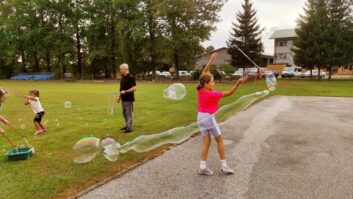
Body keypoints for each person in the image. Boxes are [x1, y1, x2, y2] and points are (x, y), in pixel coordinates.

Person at [197, 53, 247, 175]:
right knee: (219, 139)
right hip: (209, 117)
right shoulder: (212, 94)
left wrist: (210, 61)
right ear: (206, 84)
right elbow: (229, 93)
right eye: (212, 82)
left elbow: (204, 74)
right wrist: (237, 84)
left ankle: (202, 166)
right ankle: (224, 165)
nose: (214, 83)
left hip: (200, 117)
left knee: (206, 142)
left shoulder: (200, 89)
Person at [118, 63, 137, 133]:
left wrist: (125, 91)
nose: (120, 70)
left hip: (129, 99)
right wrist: (119, 97)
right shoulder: (123, 77)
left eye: (121, 69)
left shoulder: (131, 77)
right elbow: (121, 88)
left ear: (125, 69)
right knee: (124, 113)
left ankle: (130, 128)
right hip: (123, 99)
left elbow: (134, 88)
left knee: (129, 113)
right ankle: (127, 125)